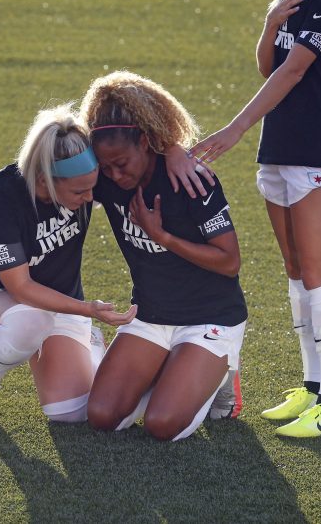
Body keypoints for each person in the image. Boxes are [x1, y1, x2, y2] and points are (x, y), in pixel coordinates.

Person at [191, 0, 321, 438]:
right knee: (295, 271)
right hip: (282, 150)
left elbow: (295, 70)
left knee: (320, 273)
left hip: (318, 150)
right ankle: (311, 388)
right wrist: (270, 21)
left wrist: (237, 127)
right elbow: (270, 62)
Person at [81, 71, 248, 441]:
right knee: (102, 415)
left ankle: (220, 373)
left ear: (145, 141)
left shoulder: (189, 178)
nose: (114, 174)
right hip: (151, 316)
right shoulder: (106, 177)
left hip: (210, 317)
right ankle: (171, 370)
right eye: (105, 166)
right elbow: (60, 154)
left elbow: (229, 261)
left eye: (121, 162)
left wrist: (162, 236)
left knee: (162, 425)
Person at [0, 105, 137, 424]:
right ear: (44, 179)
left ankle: (92, 345)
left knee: (71, 413)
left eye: (93, 187)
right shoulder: (1, 196)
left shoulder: (83, 177)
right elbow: (20, 287)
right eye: (80, 191)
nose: (90, 197)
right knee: (30, 324)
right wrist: (88, 309)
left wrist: (178, 156)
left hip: (62, 304)